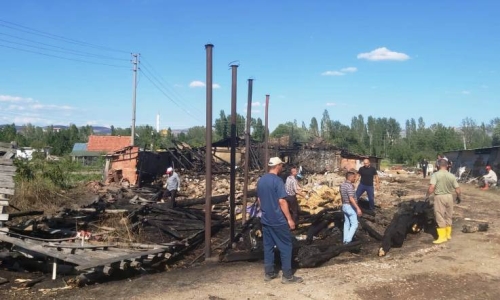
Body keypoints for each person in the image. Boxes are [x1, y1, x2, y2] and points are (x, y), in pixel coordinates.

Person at [257, 157, 303, 284]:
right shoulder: (277, 181)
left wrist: (265, 211)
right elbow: (282, 201)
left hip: (266, 219)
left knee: (268, 246)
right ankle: (287, 276)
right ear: (277, 166)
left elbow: (260, 200)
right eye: (281, 165)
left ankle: (269, 273)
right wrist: (289, 219)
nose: (282, 167)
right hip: (278, 219)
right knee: (286, 246)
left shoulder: (261, 180)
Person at [426, 159, 462, 244]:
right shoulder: (451, 176)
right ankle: (448, 234)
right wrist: (458, 197)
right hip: (449, 197)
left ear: (438, 165)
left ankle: (442, 237)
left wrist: (427, 195)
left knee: (439, 215)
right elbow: (457, 189)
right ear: (447, 166)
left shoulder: (435, 175)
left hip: (440, 197)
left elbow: (431, 188)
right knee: (448, 215)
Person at [340, 171, 362, 244]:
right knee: (355, 224)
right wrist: (358, 208)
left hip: (344, 205)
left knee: (347, 223)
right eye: (354, 177)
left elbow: (342, 196)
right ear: (351, 177)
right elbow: (351, 198)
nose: (355, 178)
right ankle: (348, 240)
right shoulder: (349, 186)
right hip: (350, 206)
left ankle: (345, 240)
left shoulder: (342, 185)